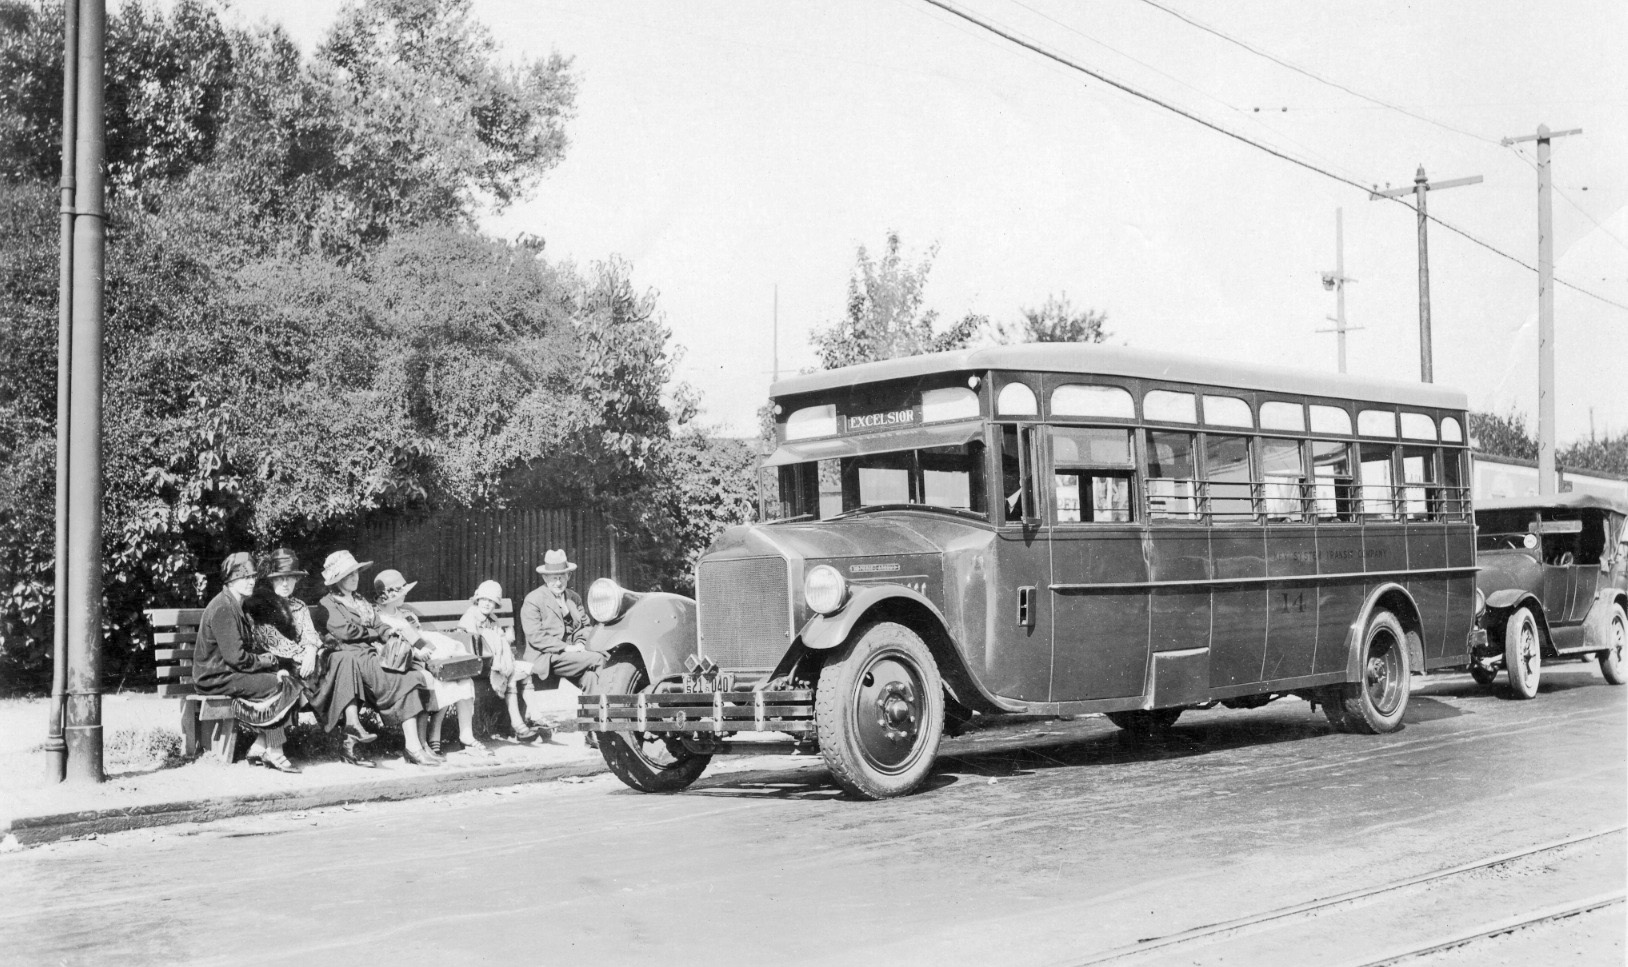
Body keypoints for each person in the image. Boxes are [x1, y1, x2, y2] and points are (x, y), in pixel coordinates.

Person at [247, 549, 380, 769]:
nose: (286, 583)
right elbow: (271, 640)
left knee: (345, 659)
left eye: (290, 578)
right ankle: (348, 744)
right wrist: (304, 656)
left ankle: (353, 726)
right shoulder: (259, 606)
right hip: (277, 665)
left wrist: (310, 651)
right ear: (270, 580)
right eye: (280, 578)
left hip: (306, 664)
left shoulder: (298, 605)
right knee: (331, 672)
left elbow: (310, 634)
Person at [318, 550, 443, 767]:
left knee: (414, 677)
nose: (355, 578)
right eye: (349, 575)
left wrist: (389, 633)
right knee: (407, 680)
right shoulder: (329, 603)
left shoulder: (360, 600)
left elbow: (379, 624)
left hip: (372, 654)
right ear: (337, 580)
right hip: (352, 657)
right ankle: (414, 748)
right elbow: (346, 632)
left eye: (356, 573)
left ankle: (416, 746)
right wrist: (376, 633)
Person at [192, 552, 303, 773]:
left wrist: (271, 666)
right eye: (245, 578)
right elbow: (237, 658)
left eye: (253, 576)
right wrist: (267, 661)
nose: (251, 581)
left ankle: (260, 746)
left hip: (225, 672)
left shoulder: (235, 603)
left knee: (282, 680)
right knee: (278, 684)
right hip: (215, 677)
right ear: (230, 580)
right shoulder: (223, 608)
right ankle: (275, 750)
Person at [374, 569, 492, 758]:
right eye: (402, 592)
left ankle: (466, 735)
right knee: (441, 679)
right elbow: (389, 648)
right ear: (390, 596)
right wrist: (418, 652)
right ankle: (433, 735)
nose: (406, 595)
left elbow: (420, 637)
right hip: (405, 661)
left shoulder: (406, 614)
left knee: (461, 678)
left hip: (426, 653)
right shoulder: (379, 618)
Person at [519, 549, 605, 726]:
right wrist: (567, 648)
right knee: (597, 659)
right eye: (553, 578)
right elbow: (535, 636)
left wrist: (581, 644)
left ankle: (591, 728)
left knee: (590, 677)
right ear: (545, 578)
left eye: (562, 577)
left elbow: (586, 627)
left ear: (568, 576)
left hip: (571, 655)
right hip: (545, 656)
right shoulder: (533, 600)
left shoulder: (574, 598)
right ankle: (601, 720)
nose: (558, 583)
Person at [458, 580, 541, 742]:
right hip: (477, 663)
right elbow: (471, 644)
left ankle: (533, 717)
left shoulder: (493, 619)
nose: (487, 604)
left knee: (524, 673)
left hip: (494, 663)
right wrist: (498, 640)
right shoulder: (470, 616)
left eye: (492, 602)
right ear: (477, 599)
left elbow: (501, 644)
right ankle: (519, 725)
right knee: (512, 674)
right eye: (484, 600)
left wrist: (505, 639)